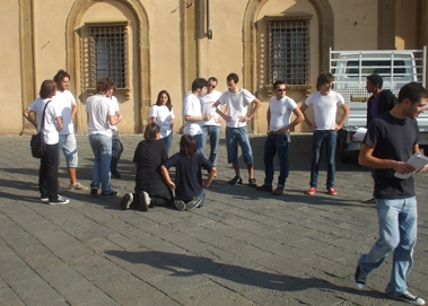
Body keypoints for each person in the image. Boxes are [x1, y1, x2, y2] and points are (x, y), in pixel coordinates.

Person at [354, 82, 428, 306]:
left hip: (409, 193)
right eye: (421, 106)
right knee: (390, 240)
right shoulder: (379, 124)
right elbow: (364, 158)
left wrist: (421, 163)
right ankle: (365, 264)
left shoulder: (412, 123)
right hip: (387, 193)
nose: (422, 110)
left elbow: (415, 151)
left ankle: (397, 288)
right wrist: (392, 164)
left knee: (407, 244)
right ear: (406, 102)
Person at [300, 71, 350, 195]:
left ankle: (330, 186)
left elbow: (346, 110)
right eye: (327, 83)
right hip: (318, 132)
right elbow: (301, 110)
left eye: (331, 82)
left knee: (331, 160)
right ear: (321, 84)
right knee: (315, 159)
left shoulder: (336, 96)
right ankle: (313, 185)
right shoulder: (314, 97)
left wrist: (340, 124)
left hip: (332, 132)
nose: (329, 85)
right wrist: (309, 124)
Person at [23, 80, 69, 205]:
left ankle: (43, 193)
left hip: (42, 138)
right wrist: (61, 125)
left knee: (43, 167)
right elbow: (59, 125)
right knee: (52, 168)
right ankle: (53, 196)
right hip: (51, 139)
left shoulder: (38, 101)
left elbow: (25, 112)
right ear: (52, 90)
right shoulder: (53, 104)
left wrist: (36, 124)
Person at [212, 73, 261, 186]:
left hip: (241, 128)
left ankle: (251, 177)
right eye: (228, 85)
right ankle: (238, 175)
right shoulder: (226, 94)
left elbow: (258, 103)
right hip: (230, 128)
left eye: (231, 85)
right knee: (232, 153)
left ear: (236, 83)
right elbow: (215, 105)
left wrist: (249, 117)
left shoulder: (244, 93)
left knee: (247, 152)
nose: (229, 87)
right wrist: (223, 115)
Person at [256, 80, 304, 195]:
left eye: (284, 90)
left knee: (283, 161)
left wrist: (288, 127)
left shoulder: (289, 101)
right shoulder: (272, 100)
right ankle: (268, 183)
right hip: (272, 134)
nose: (282, 92)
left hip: (282, 136)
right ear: (274, 91)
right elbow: (269, 112)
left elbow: (301, 117)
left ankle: (281, 185)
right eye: (279, 90)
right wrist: (268, 125)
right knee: (267, 159)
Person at [119, 123, 173, 211]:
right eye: (159, 132)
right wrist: (168, 181)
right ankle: (150, 201)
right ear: (156, 133)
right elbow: (165, 166)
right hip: (154, 182)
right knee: (168, 198)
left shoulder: (141, 144)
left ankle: (133, 198)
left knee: (144, 193)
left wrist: (138, 178)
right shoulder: (161, 144)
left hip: (140, 182)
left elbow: (135, 164)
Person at [86, 78, 122, 197]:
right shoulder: (108, 102)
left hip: (92, 134)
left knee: (97, 160)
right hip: (105, 134)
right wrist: (119, 119)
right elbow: (112, 122)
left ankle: (95, 184)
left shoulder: (89, 100)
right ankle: (106, 188)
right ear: (107, 89)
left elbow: (88, 119)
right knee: (106, 161)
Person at [53, 70, 88, 191]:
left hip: (69, 131)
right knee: (55, 159)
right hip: (56, 132)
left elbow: (75, 104)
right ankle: (55, 184)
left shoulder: (68, 93)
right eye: (64, 82)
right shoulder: (52, 94)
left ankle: (74, 182)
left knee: (72, 156)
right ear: (58, 81)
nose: (66, 84)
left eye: (68, 82)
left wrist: (72, 115)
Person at [161, 134, 216, 211]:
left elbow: (163, 167)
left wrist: (169, 181)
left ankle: (179, 200)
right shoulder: (199, 157)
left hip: (180, 193)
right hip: (195, 193)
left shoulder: (177, 157)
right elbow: (213, 170)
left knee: (181, 196)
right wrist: (207, 183)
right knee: (202, 193)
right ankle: (197, 202)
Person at [364, 74, 397, 203]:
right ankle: (377, 195)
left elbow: (394, 114)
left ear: (376, 85)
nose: (366, 86)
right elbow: (370, 119)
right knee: (375, 169)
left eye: (368, 84)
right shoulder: (371, 100)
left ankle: (388, 195)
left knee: (386, 169)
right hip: (375, 138)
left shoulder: (388, 97)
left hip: (386, 138)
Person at [183, 78, 212, 154]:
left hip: (198, 131)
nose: (206, 91)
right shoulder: (189, 98)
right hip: (192, 133)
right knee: (197, 155)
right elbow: (187, 117)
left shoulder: (197, 99)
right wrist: (203, 117)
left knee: (198, 155)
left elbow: (197, 114)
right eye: (205, 89)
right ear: (199, 88)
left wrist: (205, 116)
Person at [201, 77, 223, 168]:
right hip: (203, 125)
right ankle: (207, 163)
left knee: (214, 150)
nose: (210, 87)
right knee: (200, 148)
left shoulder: (219, 95)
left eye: (213, 86)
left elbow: (228, 104)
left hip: (215, 124)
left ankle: (212, 167)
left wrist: (223, 115)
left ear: (215, 86)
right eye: (209, 85)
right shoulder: (201, 94)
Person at [149, 90, 175, 155]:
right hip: (159, 133)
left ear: (167, 98)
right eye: (162, 97)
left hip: (168, 132)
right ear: (159, 98)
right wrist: (155, 131)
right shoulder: (155, 107)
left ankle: (164, 164)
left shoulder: (170, 108)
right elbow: (153, 120)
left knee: (166, 150)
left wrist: (172, 124)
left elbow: (172, 117)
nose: (163, 99)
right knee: (158, 151)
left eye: (165, 97)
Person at [106, 93, 124, 178]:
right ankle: (107, 169)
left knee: (118, 148)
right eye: (109, 89)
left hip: (113, 129)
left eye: (112, 89)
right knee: (106, 150)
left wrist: (118, 115)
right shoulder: (101, 99)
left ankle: (112, 168)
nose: (110, 91)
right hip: (105, 129)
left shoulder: (113, 99)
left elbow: (115, 111)